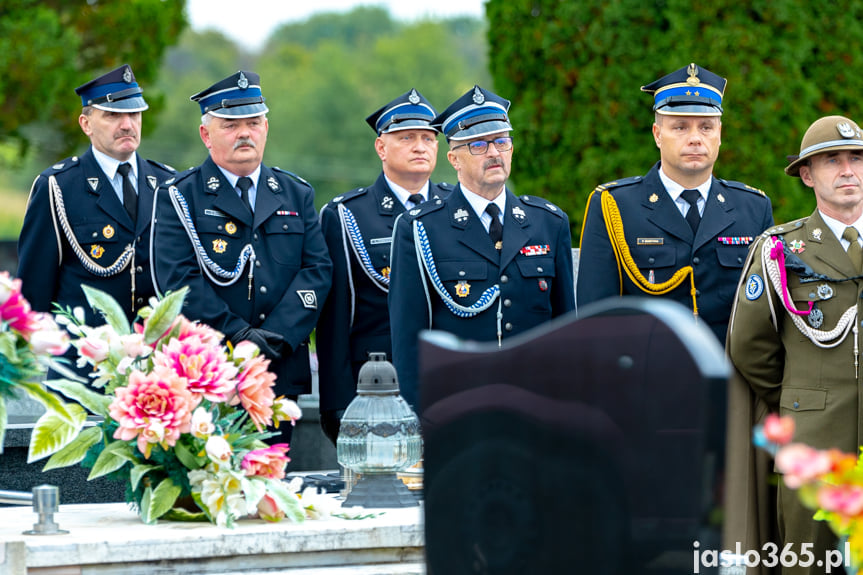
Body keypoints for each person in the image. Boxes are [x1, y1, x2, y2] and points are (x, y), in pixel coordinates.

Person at [150, 70, 332, 443]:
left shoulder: (295, 193)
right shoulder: (180, 196)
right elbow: (178, 280)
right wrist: (238, 337)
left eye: (253, 122)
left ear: (266, 127)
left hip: (278, 367)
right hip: (208, 369)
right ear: (206, 134)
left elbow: (316, 272)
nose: (245, 133)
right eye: (231, 124)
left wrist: (272, 338)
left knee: (273, 482)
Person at [727, 115, 863, 575]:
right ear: (807, 175)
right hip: (815, 451)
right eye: (832, 160)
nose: (848, 170)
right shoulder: (782, 251)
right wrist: (802, 401)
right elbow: (749, 347)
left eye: (857, 159)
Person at [388, 85, 575, 408]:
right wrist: (418, 418)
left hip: (536, 402)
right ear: (453, 159)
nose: (493, 153)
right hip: (456, 403)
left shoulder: (548, 222)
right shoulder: (421, 227)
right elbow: (408, 339)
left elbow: (565, 331)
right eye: (478, 145)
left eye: (501, 141)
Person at [577, 63, 774, 343]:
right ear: (657, 134)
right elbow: (595, 319)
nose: (695, 138)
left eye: (706, 127)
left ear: (720, 134)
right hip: (648, 378)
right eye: (680, 126)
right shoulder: (615, 206)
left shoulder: (753, 208)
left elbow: (765, 319)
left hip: (731, 379)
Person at [317, 89, 451, 445]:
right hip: (377, 390)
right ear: (381, 148)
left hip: (448, 381)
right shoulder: (348, 215)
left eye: (428, 137)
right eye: (406, 137)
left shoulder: (456, 208)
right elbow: (335, 320)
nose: (420, 146)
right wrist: (338, 407)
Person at [18, 64, 175, 327]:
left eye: (135, 113)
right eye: (113, 115)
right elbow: (34, 291)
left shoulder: (167, 183)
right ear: (86, 124)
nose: (127, 125)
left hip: (154, 360)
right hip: (84, 359)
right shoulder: (59, 186)